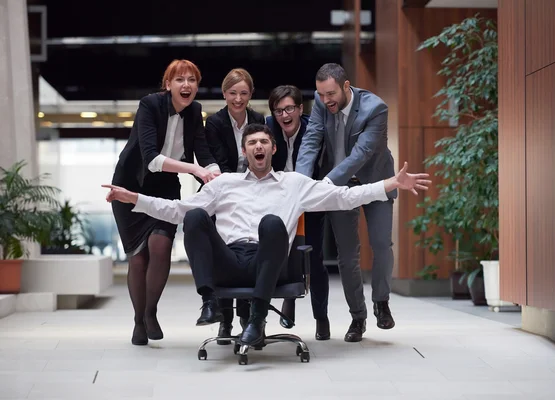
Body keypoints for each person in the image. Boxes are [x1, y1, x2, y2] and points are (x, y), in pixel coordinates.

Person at [102, 123, 431, 347]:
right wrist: (134, 199)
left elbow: (344, 197)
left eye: (263, 142)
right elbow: (178, 210)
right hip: (229, 259)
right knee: (196, 215)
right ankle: (210, 302)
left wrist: (390, 184)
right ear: (244, 151)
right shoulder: (224, 183)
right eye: (251, 143)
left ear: (273, 149)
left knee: (273, 223)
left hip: (270, 263)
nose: (258, 147)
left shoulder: (294, 184)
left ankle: (257, 317)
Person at [110, 59, 220, 346]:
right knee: (138, 257)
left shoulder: (195, 111)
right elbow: (151, 159)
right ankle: (138, 321)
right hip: (130, 186)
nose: (187, 85)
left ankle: (150, 312)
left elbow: (203, 152)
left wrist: (217, 175)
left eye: (192, 80)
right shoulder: (149, 105)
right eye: (180, 80)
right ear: (168, 85)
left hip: (166, 187)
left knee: (161, 245)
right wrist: (196, 170)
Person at [295, 63, 396, 342]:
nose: (326, 100)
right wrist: (300, 182)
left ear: (346, 86)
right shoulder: (319, 101)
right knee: (347, 255)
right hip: (338, 187)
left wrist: (327, 183)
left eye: (331, 94)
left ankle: (381, 301)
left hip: (375, 181)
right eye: (321, 94)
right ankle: (358, 317)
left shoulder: (376, 108)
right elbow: (312, 140)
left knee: (381, 244)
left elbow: (362, 153)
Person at [204, 68, 265, 343]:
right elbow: (220, 162)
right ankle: (224, 319)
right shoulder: (215, 123)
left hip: (254, 190)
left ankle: (246, 316)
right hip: (225, 191)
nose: (238, 99)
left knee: (248, 248)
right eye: (232, 93)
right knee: (224, 253)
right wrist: (236, 185)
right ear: (224, 93)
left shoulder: (258, 118)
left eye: (243, 93)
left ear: (251, 94)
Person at [266, 85, 330, 340]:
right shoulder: (269, 128)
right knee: (281, 256)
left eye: (289, 108)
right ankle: (288, 299)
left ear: (300, 109)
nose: (284, 115)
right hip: (279, 203)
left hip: (311, 201)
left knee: (314, 260)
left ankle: (321, 318)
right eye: (279, 110)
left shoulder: (312, 129)